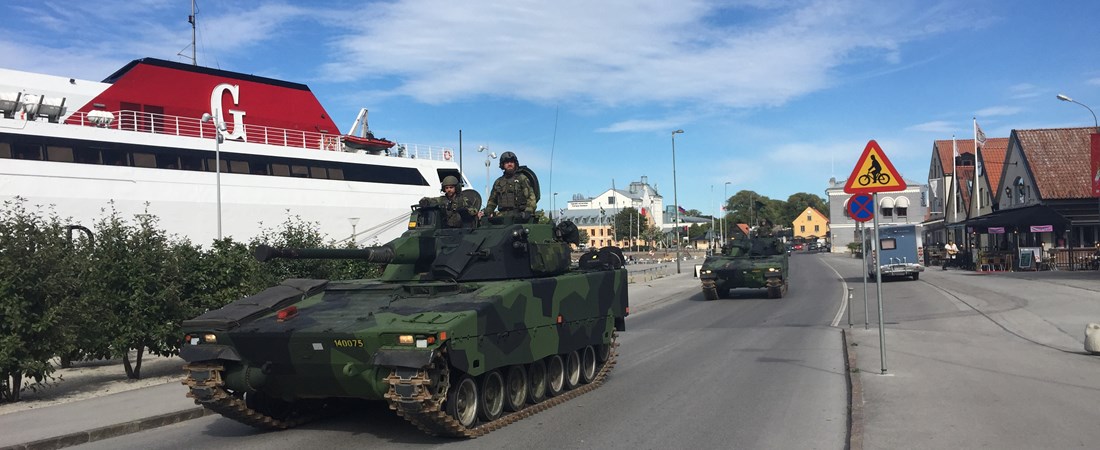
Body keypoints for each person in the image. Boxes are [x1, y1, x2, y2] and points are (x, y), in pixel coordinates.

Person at [480, 151, 536, 222]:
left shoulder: (522, 179)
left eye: (511, 162)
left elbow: (531, 197)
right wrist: (487, 212)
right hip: (502, 218)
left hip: (520, 216)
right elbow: (492, 201)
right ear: (503, 165)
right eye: (507, 162)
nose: (509, 164)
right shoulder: (498, 182)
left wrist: (528, 211)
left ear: (515, 164)